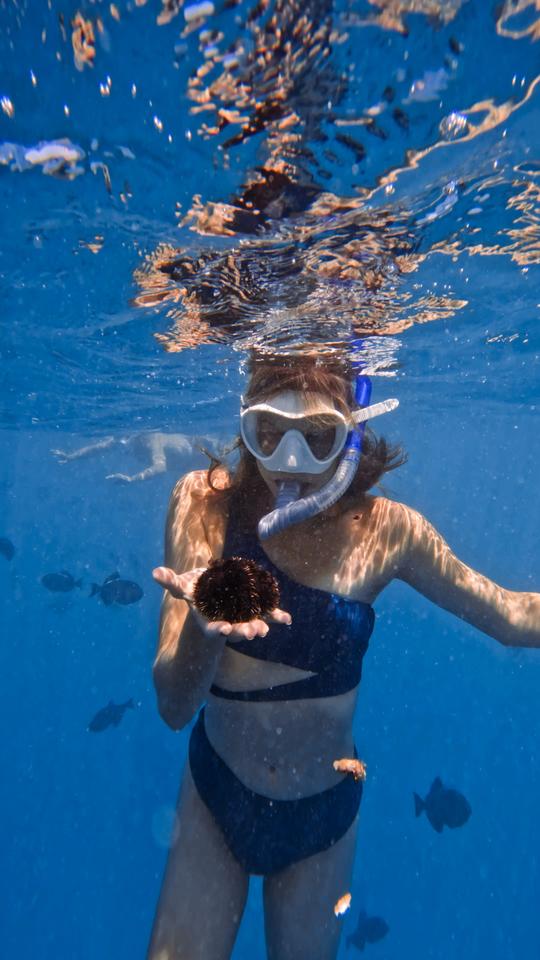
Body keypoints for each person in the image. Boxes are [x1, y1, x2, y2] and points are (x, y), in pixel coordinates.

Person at [148, 354, 539, 960]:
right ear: (247, 426)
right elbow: (174, 708)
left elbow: (513, 618)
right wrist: (203, 630)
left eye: (320, 437)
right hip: (214, 798)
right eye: (271, 434)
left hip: (320, 825)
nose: (293, 463)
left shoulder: (390, 531)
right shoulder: (203, 504)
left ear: (350, 439)